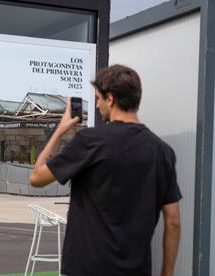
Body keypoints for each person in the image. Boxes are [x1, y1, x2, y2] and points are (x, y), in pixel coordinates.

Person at [29, 65, 182, 276]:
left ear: (110, 99)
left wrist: (61, 130)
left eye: (98, 98)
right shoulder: (162, 152)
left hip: (87, 269)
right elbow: (173, 222)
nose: (98, 105)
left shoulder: (90, 141)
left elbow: (37, 178)